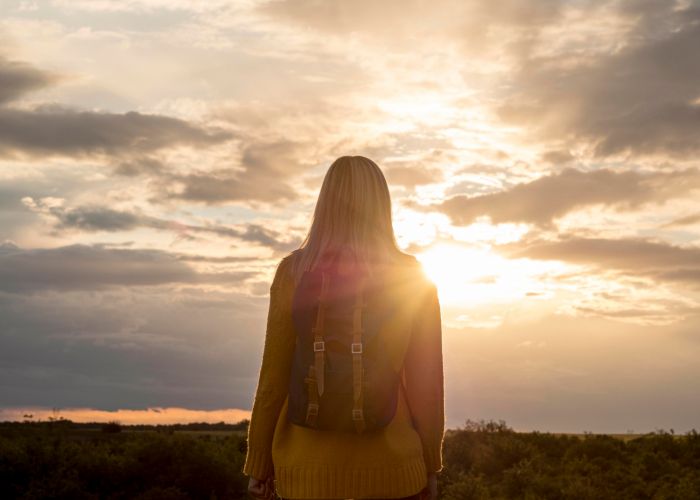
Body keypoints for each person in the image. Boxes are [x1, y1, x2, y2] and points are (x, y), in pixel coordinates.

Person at [243, 155, 444, 499]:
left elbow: (272, 381)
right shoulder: (411, 277)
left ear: (325, 203)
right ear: (382, 205)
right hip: (393, 473)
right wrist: (429, 463)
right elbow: (427, 385)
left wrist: (259, 465)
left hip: (306, 475)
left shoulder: (292, 273)